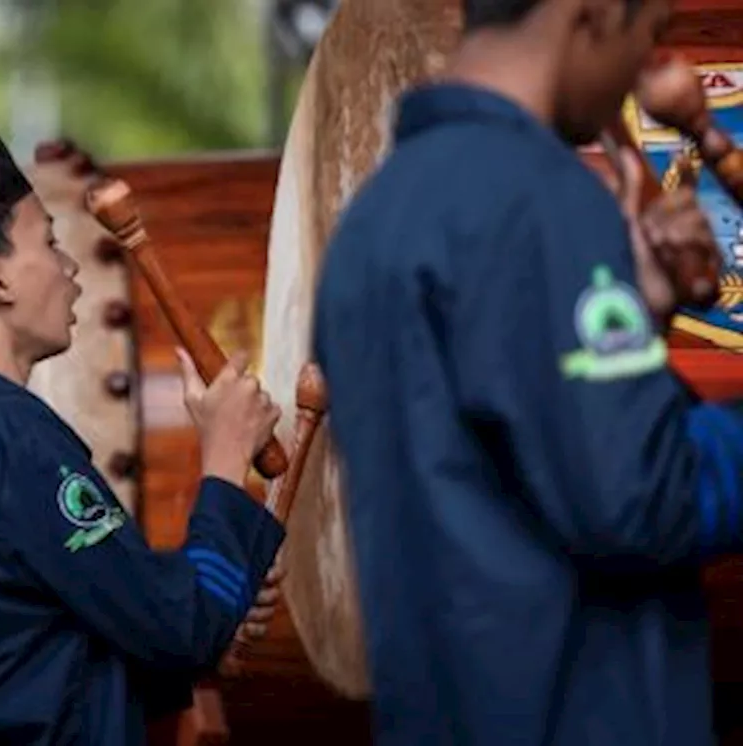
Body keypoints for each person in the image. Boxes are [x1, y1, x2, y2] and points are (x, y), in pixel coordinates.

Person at [311, 0, 738, 743]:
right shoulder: (544, 200)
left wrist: (644, 317)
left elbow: (498, 468)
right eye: (649, 36)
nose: (641, 74)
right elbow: (640, 496)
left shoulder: (373, 222)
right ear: (596, 12)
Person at [0, 123, 288, 744]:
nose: (71, 268)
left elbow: (40, 662)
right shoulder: (10, 441)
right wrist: (222, 457)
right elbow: (176, 630)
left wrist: (222, 589)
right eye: (50, 244)